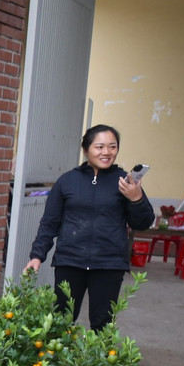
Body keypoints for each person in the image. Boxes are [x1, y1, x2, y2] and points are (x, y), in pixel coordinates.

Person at [25, 124, 154, 330]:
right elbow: (49, 223)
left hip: (109, 264)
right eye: (99, 147)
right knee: (61, 322)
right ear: (86, 149)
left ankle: (98, 353)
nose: (106, 152)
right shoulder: (67, 181)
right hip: (70, 261)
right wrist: (37, 255)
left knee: (102, 325)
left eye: (112, 146)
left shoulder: (125, 182)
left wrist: (136, 198)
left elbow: (143, 223)